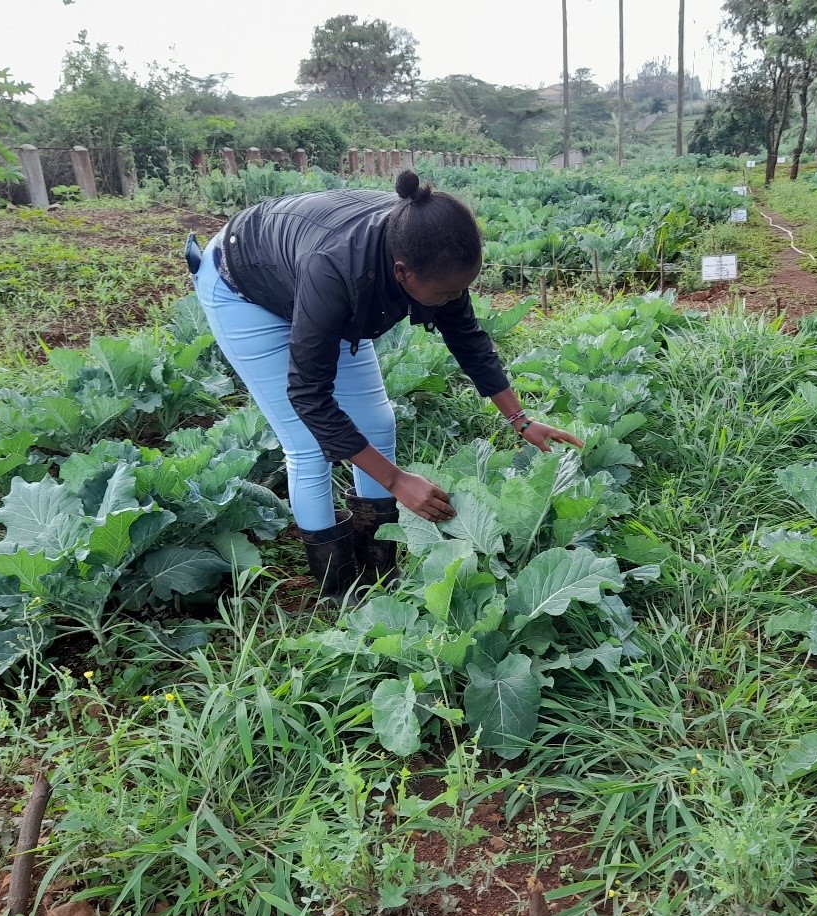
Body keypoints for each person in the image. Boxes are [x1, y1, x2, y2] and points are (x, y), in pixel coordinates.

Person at [189, 169, 583, 599]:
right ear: (402, 273)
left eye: (461, 291)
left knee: (378, 422)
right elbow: (308, 394)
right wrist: (396, 481)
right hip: (245, 287)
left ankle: (378, 569)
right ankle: (338, 591)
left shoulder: (430, 245)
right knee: (307, 444)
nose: (455, 300)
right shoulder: (335, 270)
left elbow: (467, 338)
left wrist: (520, 420)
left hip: (310, 283)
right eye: (446, 294)